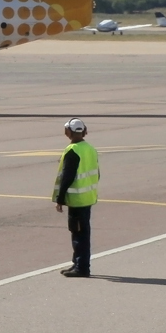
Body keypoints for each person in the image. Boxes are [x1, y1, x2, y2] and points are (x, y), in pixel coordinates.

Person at [53, 118, 100, 277]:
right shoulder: (90, 148)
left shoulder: (73, 150)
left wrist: (60, 198)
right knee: (83, 233)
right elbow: (97, 173)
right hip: (88, 197)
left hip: (77, 199)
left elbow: (67, 176)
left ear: (69, 132)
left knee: (79, 234)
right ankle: (78, 263)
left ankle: (81, 267)